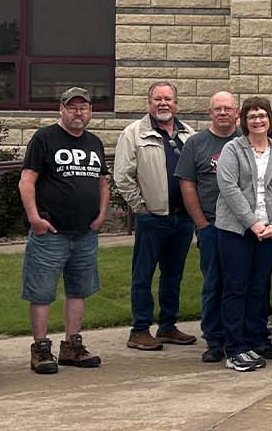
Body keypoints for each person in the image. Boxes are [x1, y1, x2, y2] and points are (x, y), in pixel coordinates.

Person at [19, 87, 109, 375]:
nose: (78, 112)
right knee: (42, 291)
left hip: (85, 233)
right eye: (73, 107)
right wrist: (34, 218)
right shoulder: (44, 139)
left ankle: (72, 345)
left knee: (78, 290)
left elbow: (103, 182)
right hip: (51, 233)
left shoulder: (94, 142)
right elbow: (27, 181)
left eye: (84, 107)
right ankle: (41, 349)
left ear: (90, 112)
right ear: (61, 109)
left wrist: (101, 215)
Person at [112, 81, 197, 352]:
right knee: (143, 275)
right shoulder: (134, 133)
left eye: (168, 99)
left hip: (182, 218)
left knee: (173, 275)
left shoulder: (189, 136)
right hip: (152, 218)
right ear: (149, 103)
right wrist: (141, 207)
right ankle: (139, 329)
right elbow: (122, 175)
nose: (163, 103)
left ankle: (168, 326)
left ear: (176, 103)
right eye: (158, 99)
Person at [212, 96, 272, 372]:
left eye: (262, 116)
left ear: (269, 120)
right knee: (236, 287)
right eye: (252, 116)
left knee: (259, 287)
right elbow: (228, 187)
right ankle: (235, 347)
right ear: (243, 121)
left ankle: (258, 338)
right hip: (236, 230)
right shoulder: (232, 149)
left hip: (269, 231)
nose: (258, 121)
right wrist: (251, 223)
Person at [176, 91, 242, 363]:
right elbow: (187, 184)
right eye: (218, 109)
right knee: (214, 283)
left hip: (244, 228)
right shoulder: (196, 143)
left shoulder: (246, 141)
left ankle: (242, 336)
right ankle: (215, 340)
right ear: (210, 113)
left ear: (237, 112)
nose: (223, 112)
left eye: (228, 108)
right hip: (212, 226)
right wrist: (201, 223)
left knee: (241, 285)